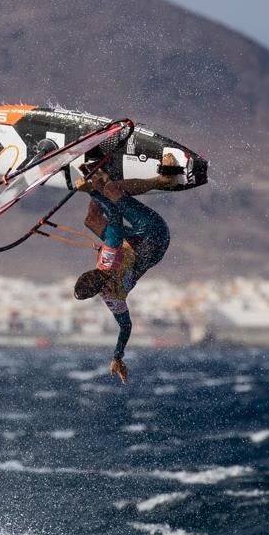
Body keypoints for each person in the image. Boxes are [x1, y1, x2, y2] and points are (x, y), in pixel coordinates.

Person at [73, 154, 181, 383]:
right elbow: (114, 216)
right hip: (153, 234)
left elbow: (126, 326)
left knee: (91, 220)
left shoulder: (112, 298)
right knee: (112, 190)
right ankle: (162, 181)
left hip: (137, 245)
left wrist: (117, 356)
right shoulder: (108, 258)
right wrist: (92, 192)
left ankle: (100, 177)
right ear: (92, 272)